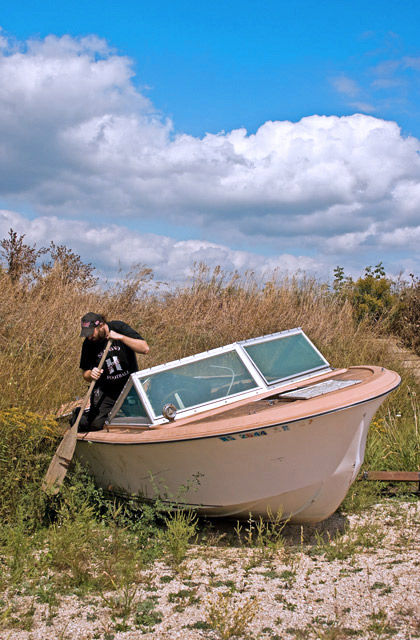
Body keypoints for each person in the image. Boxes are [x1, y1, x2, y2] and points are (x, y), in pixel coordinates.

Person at [74, 312, 149, 431]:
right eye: (86, 334)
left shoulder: (119, 327)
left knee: (140, 419)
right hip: (105, 390)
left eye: (91, 333)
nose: (89, 337)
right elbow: (85, 374)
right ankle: (78, 415)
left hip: (129, 386)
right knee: (95, 425)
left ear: (101, 325)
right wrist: (91, 374)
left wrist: (121, 337)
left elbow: (145, 348)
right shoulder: (88, 344)